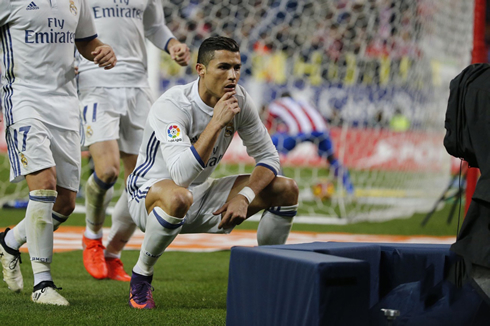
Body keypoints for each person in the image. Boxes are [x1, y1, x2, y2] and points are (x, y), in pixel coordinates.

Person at [126, 36, 299, 309]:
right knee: (179, 196)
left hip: (199, 193)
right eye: (223, 67)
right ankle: (141, 277)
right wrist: (216, 123)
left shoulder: (240, 100)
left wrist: (245, 195)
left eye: (237, 67)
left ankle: (269, 273)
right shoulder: (171, 105)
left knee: (286, 189)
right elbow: (181, 175)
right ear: (201, 70)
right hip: (148, 195)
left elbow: (268, 157)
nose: (232, 76)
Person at [0, 0, 116, 306]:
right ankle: (43, 284)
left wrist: (101, 51)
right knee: (45, 185)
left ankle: (9, 241)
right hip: (23, 97)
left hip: (65, 102)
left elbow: (87, 41)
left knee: (64, 203)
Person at [77, 0, 190, 282]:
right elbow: (67, 28)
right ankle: (92, 237)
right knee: (107, 171)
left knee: (140, 180)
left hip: (138, 86)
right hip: (95, 80)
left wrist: (173, 43)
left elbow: (154, 26)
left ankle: (113, 253)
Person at [263, 92, 354, 195]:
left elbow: (268, 128)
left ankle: (281, 187)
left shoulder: (275, 104)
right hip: (322, 130)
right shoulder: (303, 102)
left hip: (299, 132)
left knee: (270, 150)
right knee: (332, 158)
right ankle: (350, 189)